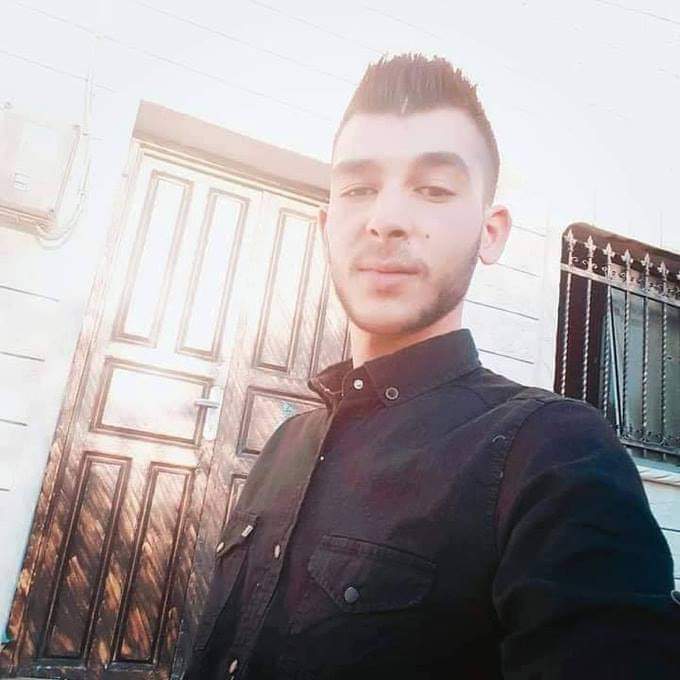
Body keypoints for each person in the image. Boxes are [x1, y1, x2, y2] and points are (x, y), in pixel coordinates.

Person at [183, 54, 679, 679]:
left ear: (490, 233)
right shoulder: (284, 445)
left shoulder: (552, 453)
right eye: (358, 188)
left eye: (434, 189)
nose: (386, 220)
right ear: (327, 224)